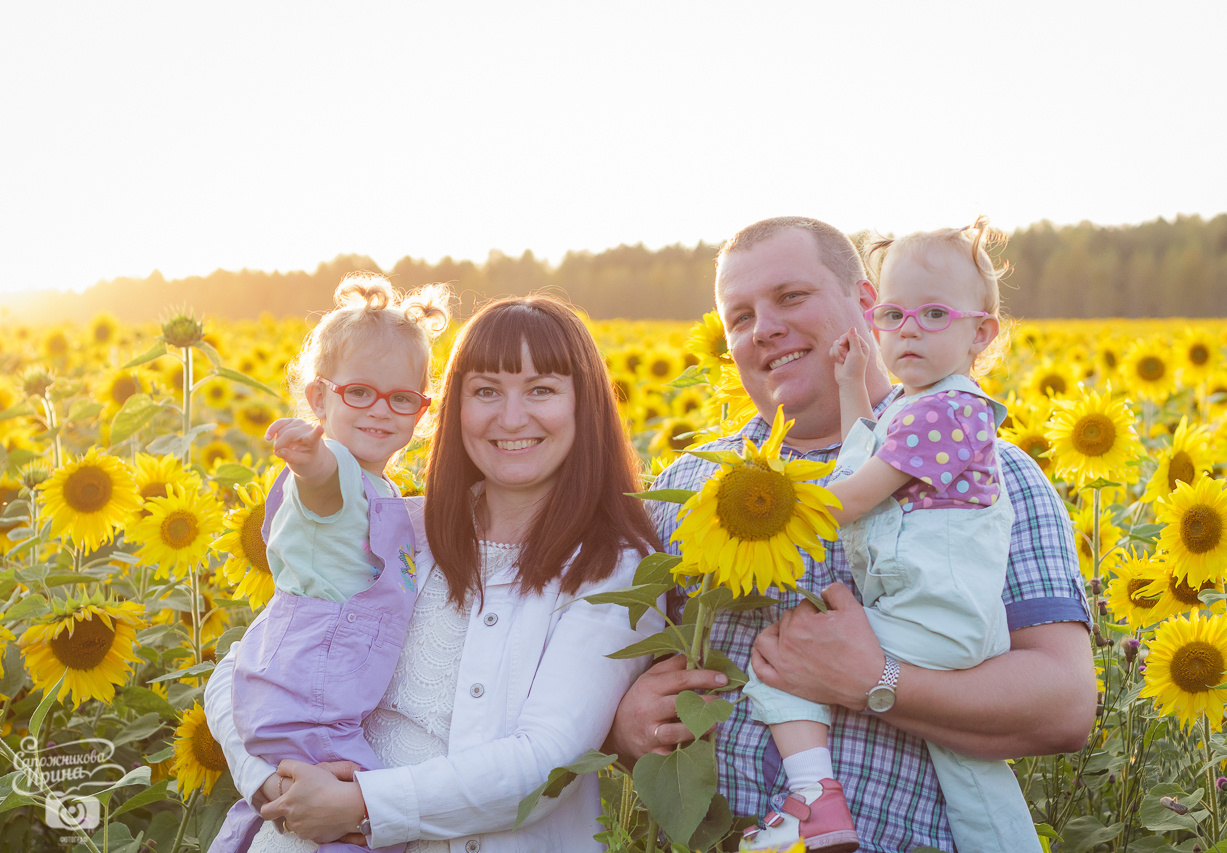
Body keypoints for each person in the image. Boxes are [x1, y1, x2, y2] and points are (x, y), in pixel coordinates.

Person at [606, 217, 1095, 853]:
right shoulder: (689, 486)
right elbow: (580, 678)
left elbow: (1062, 706)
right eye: (741, 316)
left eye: (790, 297)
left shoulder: (992, 472)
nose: (766, 328)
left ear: (868, 304)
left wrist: (877, 680)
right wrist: (621, 725)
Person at [206, 294, 664, 853]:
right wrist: (277, 783)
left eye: (541, 389)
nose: (511, 417)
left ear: (584, 405)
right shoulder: (398, 526)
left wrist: (361, 807)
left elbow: (548, 758)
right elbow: (244, 668)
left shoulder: (613, 567)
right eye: (486, 391)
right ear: (453, 408)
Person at [738, 221, 1038, 852]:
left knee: (785, 662)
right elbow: (863, 453)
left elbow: (853, 495)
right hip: (940, 617)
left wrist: (764, 509)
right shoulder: (914, 411)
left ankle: (814, 801)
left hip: (937, 618)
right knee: (971, 779)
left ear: (980, 332)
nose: (907, 330)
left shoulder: (950, 412)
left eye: (933, 315)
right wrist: (853, 386)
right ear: (877, 316)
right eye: (897, 315)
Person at [212, 273, 450, 853]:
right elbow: (323, 488)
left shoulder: (381, 486)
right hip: (307, 691)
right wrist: (308, 457)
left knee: (327, 808)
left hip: (323, 694)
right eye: (359, 392)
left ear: (420, 411)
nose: (380, 411)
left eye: (402, 399)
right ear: (319, 398)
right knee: (351, 816)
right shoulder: (337, 469)